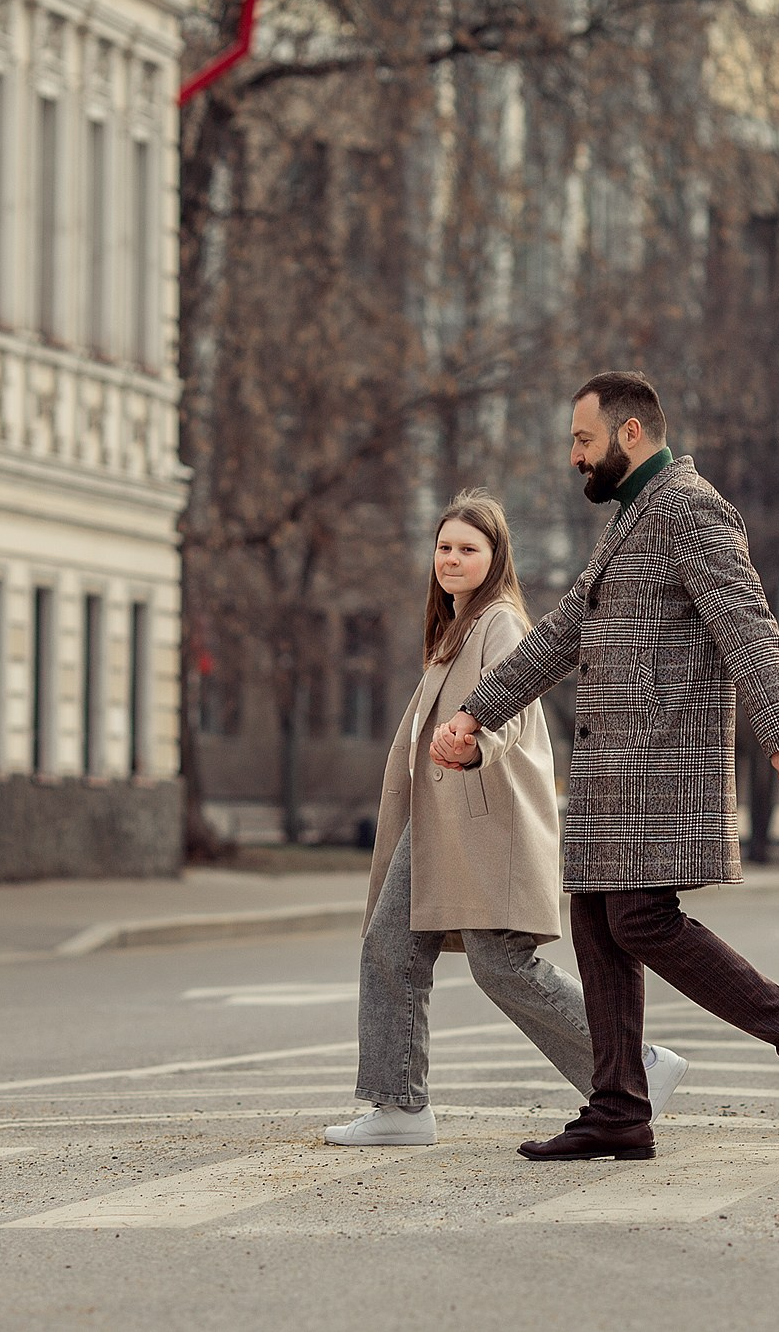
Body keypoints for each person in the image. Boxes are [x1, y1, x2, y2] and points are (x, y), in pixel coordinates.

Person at [429, 372, 779, 1162]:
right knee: (597, 923)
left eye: (583, 441)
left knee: (638, 919)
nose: (574, 457)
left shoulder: (690, 509)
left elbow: (747, 625)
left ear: (630, 434)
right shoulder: (633, 516)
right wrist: (475, 712)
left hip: (661, 762)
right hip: (613, 768)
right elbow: (563, 633)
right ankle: (620, 1107)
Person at [324, 490, 687, 1148]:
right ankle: (399, 1107)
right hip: (440, 825)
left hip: (485, 825)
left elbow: (510, 708)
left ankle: (635, 1068)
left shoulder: (501, 623)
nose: (452, 559)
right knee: (390, 948)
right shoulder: (452, 627)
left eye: (468, 549)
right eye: (444, 548)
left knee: (502, 965)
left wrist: (474, 745)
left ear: (495, 559)